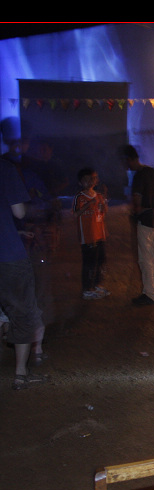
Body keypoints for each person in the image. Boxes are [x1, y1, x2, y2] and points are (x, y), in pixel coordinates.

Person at [0, 157, 46, 390]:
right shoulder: (5, 168)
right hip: (7, 255)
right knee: (23, 313)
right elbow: (18, 212)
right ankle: (20, 374)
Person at [124, 145, 154, 306]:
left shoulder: (139, 176)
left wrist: (135, 214)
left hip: (145, 219)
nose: (126, 166)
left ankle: (150, 294)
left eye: (126, 162)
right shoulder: (152, 172)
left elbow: (137, 199)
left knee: (146, 259)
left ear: (130, 159)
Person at [72, 168, 109, 300]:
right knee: (89, 263)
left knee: (101, 261)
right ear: (80, 182)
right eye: (86, 179)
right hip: (88, 237)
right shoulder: (80, 197)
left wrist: (104, 201)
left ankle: (97, 285)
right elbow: (75, 214)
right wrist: (88, 204)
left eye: (93, 178)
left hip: (99, 235)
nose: (90, 182)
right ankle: (87, 289)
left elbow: (103, 213)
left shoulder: (98, 195)